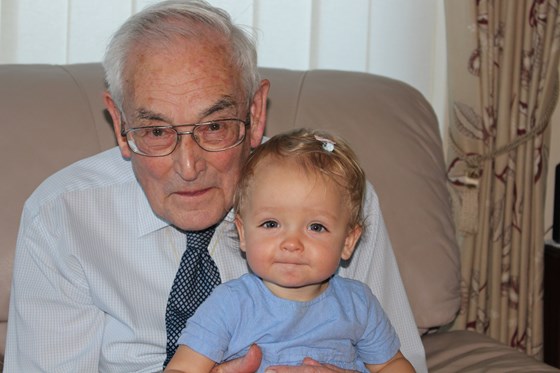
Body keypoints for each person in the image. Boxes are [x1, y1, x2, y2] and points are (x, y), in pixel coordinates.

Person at [4, 1, 427, 372]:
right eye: (155, 131)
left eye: (215, 126)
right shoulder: (62, 215)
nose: (188, 167)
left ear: (256, 111)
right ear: (119, 123)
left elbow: (398, 358)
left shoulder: (332, 200)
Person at [164, 129, 416, 373]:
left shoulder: (358, 305)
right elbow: (183, 368)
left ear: (348, 241)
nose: (292, 243)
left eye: (316, 227)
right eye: (271, 224)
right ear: (243, 233)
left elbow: (391, 364)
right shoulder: (230, 304)